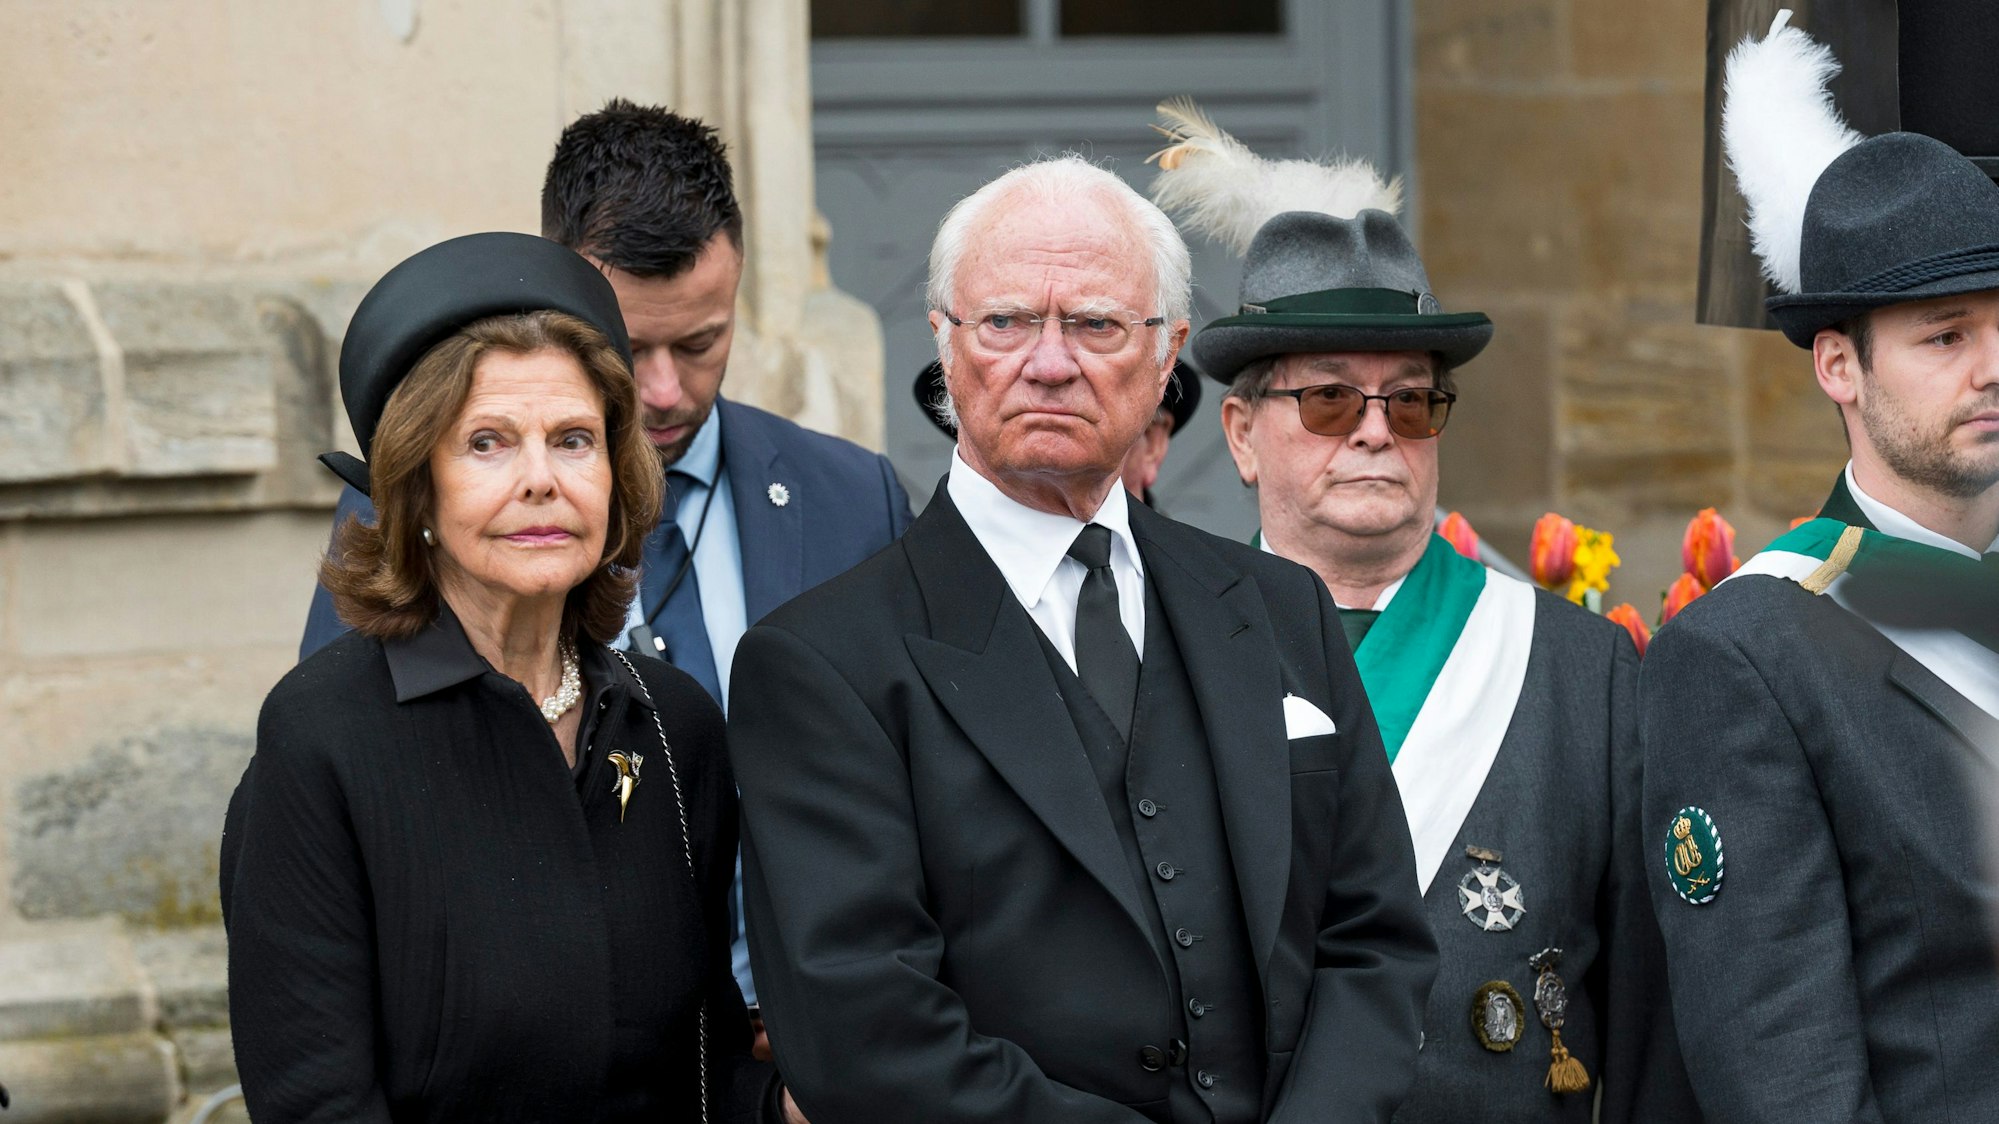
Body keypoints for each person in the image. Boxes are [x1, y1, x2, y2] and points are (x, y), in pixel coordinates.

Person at [728, 155, 1438, 1124]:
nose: (1049, 362)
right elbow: (864, 1033)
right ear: (944, 341)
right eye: (1006, 321)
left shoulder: (1282, 609)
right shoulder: (820, 663)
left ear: (1166, 352)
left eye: (1096, 324)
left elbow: (1374, 940)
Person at [298, 100, 914, 1013]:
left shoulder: (854, 497)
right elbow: (338, 794)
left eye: (701, 342)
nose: (664, 391)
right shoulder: (417, 506)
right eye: (630, 346)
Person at [1149, 103, 1695, 1123]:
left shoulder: (1580, 671)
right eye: (1327, 400)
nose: (1374, 432)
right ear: (1241, 434)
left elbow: (1651, 1023)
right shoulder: (1156, 650)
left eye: (1408, 402)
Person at [223, 233, 790, 1122]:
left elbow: (703, 1068)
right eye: (487, 443)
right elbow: (314, 1099)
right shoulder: (323, 736)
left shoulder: (672, 727)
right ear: (416, 489)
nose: (540, 481)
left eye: (573, 440)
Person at [1639, 15, 1999, 1122]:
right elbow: (1784, 1073)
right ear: (1839, 366)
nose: (1992, 368)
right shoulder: (1743, 654)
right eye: (1944, 336)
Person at [916, 354, 1203, 508]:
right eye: (1017, 423)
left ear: (1152, 443)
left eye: (1076, 420)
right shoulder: (909, 584)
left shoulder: (1209, 580)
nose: (1050, 371)